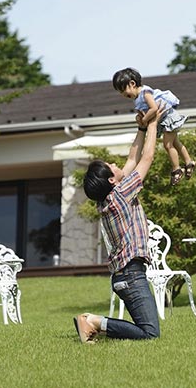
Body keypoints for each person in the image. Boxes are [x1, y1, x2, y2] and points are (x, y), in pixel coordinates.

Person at [73, 103, 167, 343]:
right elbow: (147, 157)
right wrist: (155, 122)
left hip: (125, 275)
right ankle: (92, 322)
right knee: (150, 334)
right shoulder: (122, 193)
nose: (117, 164)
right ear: (113, 180)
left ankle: (93, 323)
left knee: (148, 331)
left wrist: (141, 127)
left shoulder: (109, 197)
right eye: (112, 166)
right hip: (131, 275)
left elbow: (132, 158)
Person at [112, 67, 195, 186]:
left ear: (132, 84)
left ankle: (176, 168)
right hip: (163, 121)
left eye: (123, 90)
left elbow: (154, 108)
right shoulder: (137, 99)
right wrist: (140, 118)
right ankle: (188, 162)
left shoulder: (145, 92)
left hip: (168, 118)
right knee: (176, 142)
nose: (123, 94)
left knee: (168, 145)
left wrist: (145, 119)